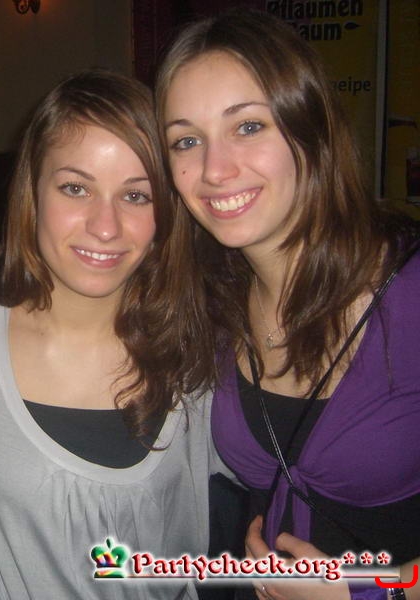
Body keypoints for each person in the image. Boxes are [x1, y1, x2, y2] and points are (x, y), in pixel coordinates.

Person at [151, 8, 420, 600]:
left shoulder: (409, 295)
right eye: (187, 141)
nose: (214, 170)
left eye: (248, 126)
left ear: (311, 127)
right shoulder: (213, 303)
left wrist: (372, 591)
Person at [0, 69, 224, 600]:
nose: (105, 226)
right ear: (32, 191)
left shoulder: (198, 347)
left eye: (136, 196)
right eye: (76, 188)